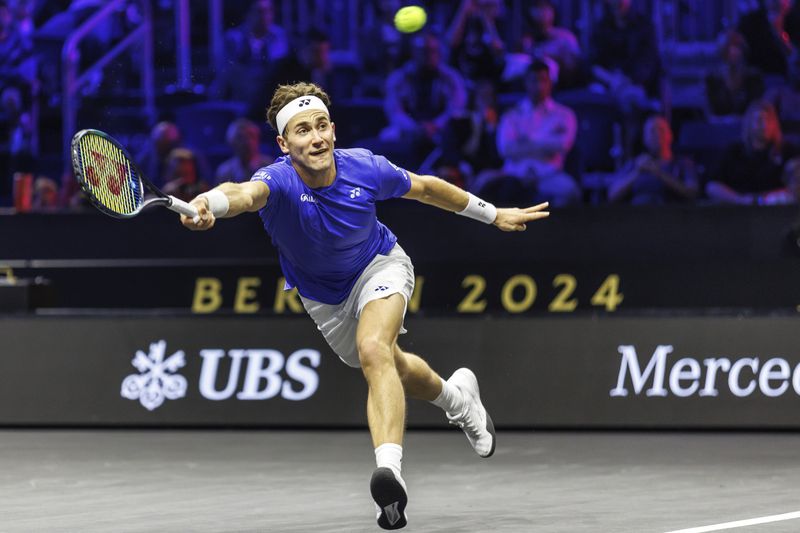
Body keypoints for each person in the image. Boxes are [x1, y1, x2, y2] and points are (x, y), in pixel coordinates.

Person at [179, 81, 549, 530]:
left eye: (321, 127)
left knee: (374, 348)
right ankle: (458, 400)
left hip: (381, 266)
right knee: (391, 364)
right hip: (323, 299)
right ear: (283, 143)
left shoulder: (365, 168)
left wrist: (494, 214)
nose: (315, 138)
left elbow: (428, 188)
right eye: (301, 131)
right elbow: (241, 195)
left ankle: (389, 474)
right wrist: (209, 204)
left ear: (333, 129)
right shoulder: (276, 180)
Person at [480, 60, 580, 206]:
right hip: (514, 175)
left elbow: (563, 145)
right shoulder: (512, 115)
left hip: (548, 176)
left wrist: (523, 144)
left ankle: (552, 227)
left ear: (550, 82)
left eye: (543, 80)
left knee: (570, 192)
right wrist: (545, 145)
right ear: (526, 83)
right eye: (534, 80)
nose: (539, 86)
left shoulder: (565, 115)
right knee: (483, 183)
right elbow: (505, 150)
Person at [707, 100, 797, 204]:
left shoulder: (787, 151)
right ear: (749, 123)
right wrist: (740, 200)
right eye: (759, 120)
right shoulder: (734, 152)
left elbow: (796, 184)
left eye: (769, 120)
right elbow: (712, 186)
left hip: (778, 211)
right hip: (738, 212)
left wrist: (770, 198)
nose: (764, 125)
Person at [607, 115, 698, 204]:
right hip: (637, 215)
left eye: (660, 130)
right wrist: (637, 173)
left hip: (670, 214)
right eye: (650, 131)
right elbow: (612, 196)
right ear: (644, 137)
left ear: (669, 134)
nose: (656, 135)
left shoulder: (682, 163)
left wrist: (659, 173)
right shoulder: (635, 164)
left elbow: (692, 194)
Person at [214, 118, 273, 185]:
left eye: (251, 136)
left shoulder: (269, 166)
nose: (247, 141)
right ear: (232, 142)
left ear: (258, 138)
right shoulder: (224, 172)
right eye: (241, 137)